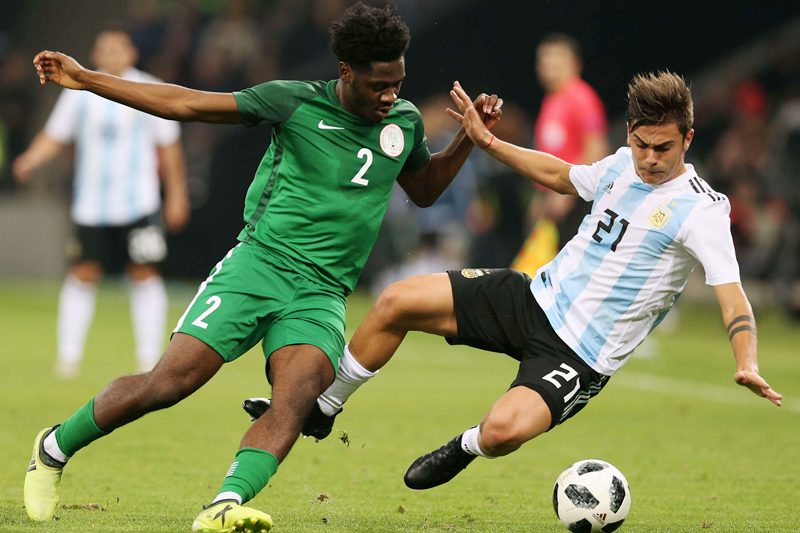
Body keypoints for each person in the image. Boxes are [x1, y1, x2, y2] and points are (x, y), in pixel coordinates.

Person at [22, 3, 502, 531]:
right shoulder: (293, 101)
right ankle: (53, 448)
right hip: (259, 265)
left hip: (322, 291)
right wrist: (88, 79)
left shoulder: (404, 122)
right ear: (346, 71)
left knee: (297, 398)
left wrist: (468, 138)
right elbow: (186, 103)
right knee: (169, 383)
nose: (390, 96)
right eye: (378, 85)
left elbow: (425, 189)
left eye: (398, 83)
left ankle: (224, 504)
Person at [245, 72, 782, 493]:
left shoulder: (702, 210)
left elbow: (732, 295)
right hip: (530, 298)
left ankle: (464, 447)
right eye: (642, 144)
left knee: (503, 431)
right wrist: (486, 142)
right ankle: (325, 406)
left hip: (579, 355)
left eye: (663, 148)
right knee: (396, 301)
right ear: (629, 134)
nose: (651, 159)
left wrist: (747, 360)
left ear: (688, 138)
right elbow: (560, 175)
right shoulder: (621, 165)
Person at [13, 26, 190, 377]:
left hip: (139, 202)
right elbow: (55, 134)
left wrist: (177, 195)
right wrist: (30, 159)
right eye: (104, 49)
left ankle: (148, 357)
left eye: (117, 48)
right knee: (83, 274)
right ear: (95, 55)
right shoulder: (78, 91)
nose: (111, 54)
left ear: (131, 53)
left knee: (144, 274)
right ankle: (68, 357)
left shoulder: (149, 88)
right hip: (91, 204)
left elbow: (169, 147)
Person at [512, 33, 609, 276]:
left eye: (556, 63)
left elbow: (597, 148)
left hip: (576, 200)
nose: (549, 70)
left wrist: (568, 190)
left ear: (575, 64)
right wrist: (541, 195)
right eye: (544, 63)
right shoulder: (552, 101)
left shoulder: (582, 98)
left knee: (573, 271)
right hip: (554, 197)